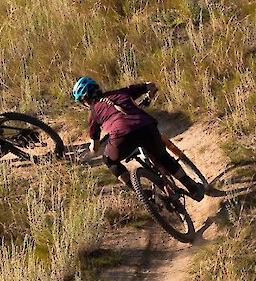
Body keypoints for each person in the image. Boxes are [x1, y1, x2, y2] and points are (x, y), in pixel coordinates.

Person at [71, 76, 209, 201]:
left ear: (85, 101)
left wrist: (92, 149)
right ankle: (194, 189)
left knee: (109, 160)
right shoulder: (121, 92)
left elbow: (95, 148)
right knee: (163, 158)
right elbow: (151, 85)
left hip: (121, 137)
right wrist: (150, 95)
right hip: (146, 127)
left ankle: (142, 193)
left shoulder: (93, 113)